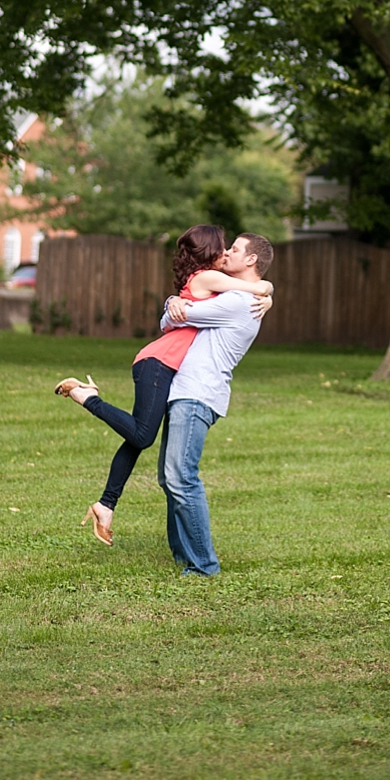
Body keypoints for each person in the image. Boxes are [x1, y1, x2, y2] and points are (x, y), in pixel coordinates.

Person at [53, 224, 273, 545]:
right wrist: (266, 290)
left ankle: (106, 505)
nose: (226, 253)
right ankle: (87, 397)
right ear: (210, 252)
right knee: (143, 436)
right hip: (160, 362)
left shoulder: (216, 287)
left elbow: (228, 294)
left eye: (233, 249)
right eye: (224, 247)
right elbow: (248, 289)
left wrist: (266, 294)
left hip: (165, 365)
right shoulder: (212, 280)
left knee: (138, 436)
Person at [156, 231, 274, 576]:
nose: (226, 252)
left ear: (251, 260)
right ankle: (183, 554)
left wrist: (171, 305)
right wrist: (172, 302)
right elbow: (179, 309)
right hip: (186, 391)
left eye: (235, 249)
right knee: (170, 477)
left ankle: (204, 564)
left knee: (181, 477)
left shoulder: (238, 303)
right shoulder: (237, 294)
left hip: (197, 393)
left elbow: (171, 320)